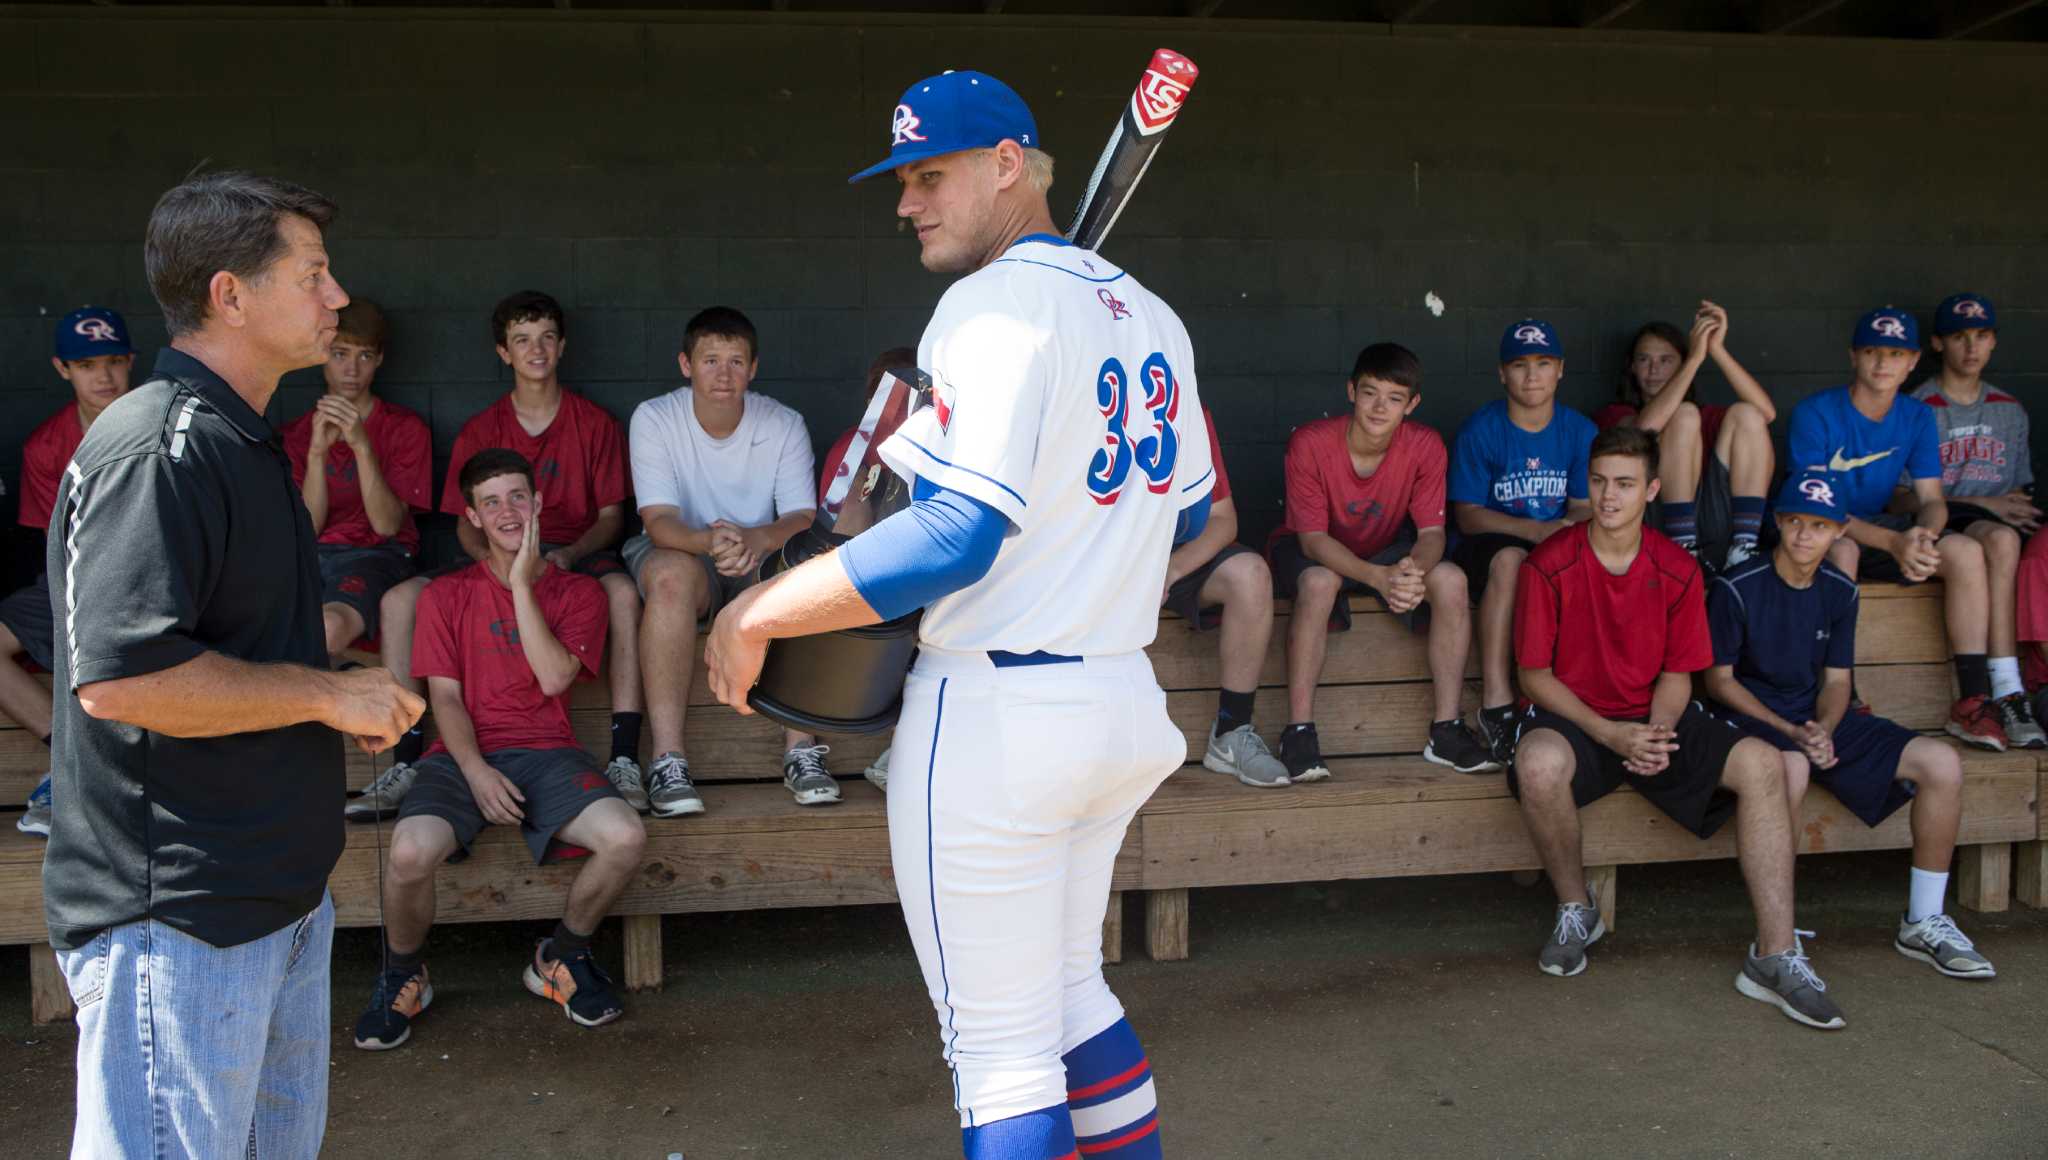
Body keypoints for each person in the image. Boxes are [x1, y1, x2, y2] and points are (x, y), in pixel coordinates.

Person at [704, 69, 1205, 1158]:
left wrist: (757, 611)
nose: (905, 202)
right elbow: (1195, 503)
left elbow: (956, 534)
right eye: (901, 180)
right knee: (1071, 996)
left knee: (1000, 1051)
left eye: (929, 176)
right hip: (1116, 694)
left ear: (1007, 167)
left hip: (997, 717)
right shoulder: (1150, 312)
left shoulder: (987, 304)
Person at [45, 171, 424, 1158]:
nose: (336, 298)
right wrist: (332, 695)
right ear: (230, 295)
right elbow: (124, 676)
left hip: (274, 897)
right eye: (313, 275)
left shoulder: (242, 437)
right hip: (177, 920)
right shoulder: (158, 447)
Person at [1510, 425, 1841, 1029]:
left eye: (1626, 484)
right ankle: (1575, 908)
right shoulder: (1548, 563)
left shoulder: (1677, 568)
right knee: (1538, 764)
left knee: (1766, 764)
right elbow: (1535, 676)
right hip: (1577, 720)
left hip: (1654, 718)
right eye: (1600, 482)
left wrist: (1657, 732)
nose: (1609, 497)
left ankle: (1774, 954)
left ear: (1653, 490)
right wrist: (1611, 736)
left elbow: (1678, 674)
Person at [355, 449, 647, 1049]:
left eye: (518, 497)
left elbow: (553, 679)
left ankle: (560, 955)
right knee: (408, 853)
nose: (507, 511)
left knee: (625, 838)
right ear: (473, 517)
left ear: (538, 504)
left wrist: (520, 584)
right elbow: (447, 701)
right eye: (492, 503)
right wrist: (476, 771)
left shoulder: (578, 593)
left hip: (548, 751)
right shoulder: (445, 595)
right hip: (461, 757)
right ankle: (404, 972)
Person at [1703, 469, 1994, 980]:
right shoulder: (1737, 585)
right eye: (1794, 522)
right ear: (1778, 521)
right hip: (1753, 717)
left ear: (1840, 531)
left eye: (1818, 526)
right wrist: (1794, 732)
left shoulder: (1840, 589)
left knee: (1941, 762)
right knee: (1788, 767)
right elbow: (1720, 682)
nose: (1803, 535)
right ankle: (1778, 935)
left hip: (1814, 718)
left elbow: (1837, 681)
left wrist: (1823, 727)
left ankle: (1923, 919)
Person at [369, 291, 646, 819]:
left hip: (574, 552)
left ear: (561, 346)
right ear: (504, 353)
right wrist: (493, 564)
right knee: (401, 600)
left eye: (545, 338)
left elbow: (610, 520)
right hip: (495, 554)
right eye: (522, 340)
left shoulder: (596, 423)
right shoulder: (482, 429)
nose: (535, 350)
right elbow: (463, 523)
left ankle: (626, 755)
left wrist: (565, 556)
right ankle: (405, 761)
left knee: (622, 594)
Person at [625, 306, 826, 814]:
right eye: (710, 360)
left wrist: (753, 539)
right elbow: (659, 522)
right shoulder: (655, 418)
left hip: (756, 555)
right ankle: (667, 761)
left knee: (800, 573)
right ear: (685, 364)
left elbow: (801, 517)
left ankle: (801, 751)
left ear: (753, 368)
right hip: (683, 552)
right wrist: (713, 543)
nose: (723, 374)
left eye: (736, 361)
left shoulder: (783, 423)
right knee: (669, 576)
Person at [1269, 342, 1492, 780]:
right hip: (1315, 548)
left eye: (1394, 398)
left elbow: (1431, 534)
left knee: (1450, 580)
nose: (1379, 407)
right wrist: (1379, 577)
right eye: (1370, 392)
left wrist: (1410, 572)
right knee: (1319, 583)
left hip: (1386, 551)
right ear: (1351, 391)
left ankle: (1446, 730)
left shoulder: (1425, 446)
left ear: (1412, 404)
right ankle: (1298, 731)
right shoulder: (1311, 442)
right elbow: (1312, 540)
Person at [1786, 307, 2005, 751]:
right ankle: (1838, 693)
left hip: (1878, 527)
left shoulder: (1916, 416)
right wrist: (1894, 541)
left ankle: (1972, 700)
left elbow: (1930, 500)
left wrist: (1923, 536)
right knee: (1841, 551)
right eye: (1872, 351)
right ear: (1853, 356)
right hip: (1810, 529)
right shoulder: (1816, 412)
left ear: (1912, 361)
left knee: (1963, 551)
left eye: (1895, 353)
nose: (1883, 363)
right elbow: (1818, 510)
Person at [4, 307, 133, 838]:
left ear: (130, 361)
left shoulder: (167, 421)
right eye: (86, 365)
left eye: (112, 361)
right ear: (62, 369)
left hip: (151, 580)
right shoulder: (46, 445)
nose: (102, 377)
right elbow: (49, 545)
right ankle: (68, 767)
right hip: (75, 577)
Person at [1448, 319, 1596, 767]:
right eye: (1520, 364)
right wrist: (1537, 533)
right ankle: (1496, 703)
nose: (1532, 375)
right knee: (1513, 560)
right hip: (1490, 544)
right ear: (1502, 373)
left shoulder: (1579, 431)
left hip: (1552, 542)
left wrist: (1566, 529)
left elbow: (1585, 505)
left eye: (1543, 363)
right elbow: (1468, 516)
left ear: (1560, 370)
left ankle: (1569, 695)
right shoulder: (1482, 430)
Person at [1905, 292, 2042, 747]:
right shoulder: (1918, 407)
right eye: (1959, 337)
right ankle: (2003, 687)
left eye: (1982, 336)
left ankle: (2008, 690)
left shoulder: (2009, 408)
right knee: (1998, 536)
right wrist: (1986, 505)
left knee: (2005, 540)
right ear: (1938, 343)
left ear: (1994, 342)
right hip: (1935, 523)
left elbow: (2018, 495)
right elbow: (1900, 498)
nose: (1971, 347)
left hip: (1991, 531)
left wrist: (1998, 507)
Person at [280, 298, 433, 669]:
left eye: (364, 356)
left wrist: (363, 447)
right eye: (340, 354)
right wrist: (317, 454)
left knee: (328, 628)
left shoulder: (404, 427)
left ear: (379, 359)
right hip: (308, 557)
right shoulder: (296, 434)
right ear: (322, 355)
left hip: (376, 556)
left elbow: (386, 525)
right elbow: (309, 528)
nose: (351, 369)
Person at [814, 344, 931, 794]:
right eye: (887, 399)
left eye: (910, 401)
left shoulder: (944, 450)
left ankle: (904, 750)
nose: (897, 413)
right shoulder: (855, 447)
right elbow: (839, 536)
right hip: (867, 579)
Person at [1159, 401, 1287, 787]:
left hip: (1172, 561)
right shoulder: (1083, 392)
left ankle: (1231, 732)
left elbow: (1223, 518)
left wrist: (1173, 569)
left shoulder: (1185, 409)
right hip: (1097, 565)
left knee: (1250, 574)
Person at [1593, 301, 1776, 570]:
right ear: (1632, 367)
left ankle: (1744, 547)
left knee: (1746, 415)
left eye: (1666, 360)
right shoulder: (1617, 413)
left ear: (1680, 365)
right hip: (1658, 525)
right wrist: (1693, 359)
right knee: (1683, 415)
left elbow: (1765, 414)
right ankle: (1682, 547)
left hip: (1716, 527)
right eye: (1644, 360)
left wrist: (1715, 350)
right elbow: (1645, 429)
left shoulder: (1708, 415)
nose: (1654, 370)